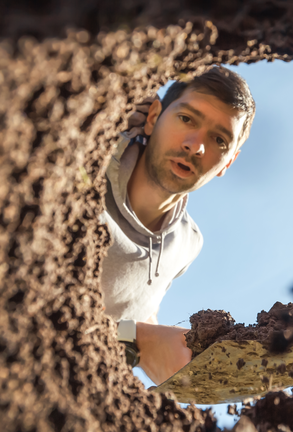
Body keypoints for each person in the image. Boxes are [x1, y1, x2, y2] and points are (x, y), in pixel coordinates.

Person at [98, 66, 255, 385]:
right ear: (154, 116)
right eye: (186, 119)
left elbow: (139, 308)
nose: (195, 146)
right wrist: (136, 341)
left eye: (219, 139)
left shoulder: (188, 242)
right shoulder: (84, 183)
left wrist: (178, 349)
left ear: (228, 162)